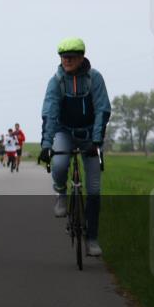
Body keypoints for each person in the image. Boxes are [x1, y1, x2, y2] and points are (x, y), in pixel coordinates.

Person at [38, 37, 111, 258]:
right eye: (63, 57)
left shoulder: (94, 78)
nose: (67, 60)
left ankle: (92, 240)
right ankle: (61, 193)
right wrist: (47, 145)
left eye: (71, 57)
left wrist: (97, 141)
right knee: (59, 164)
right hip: (64, 131)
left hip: (90, 135)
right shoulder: (56, 81)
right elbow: (50, 113)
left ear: (81, 57)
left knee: (95, 190)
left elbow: (102, 110)